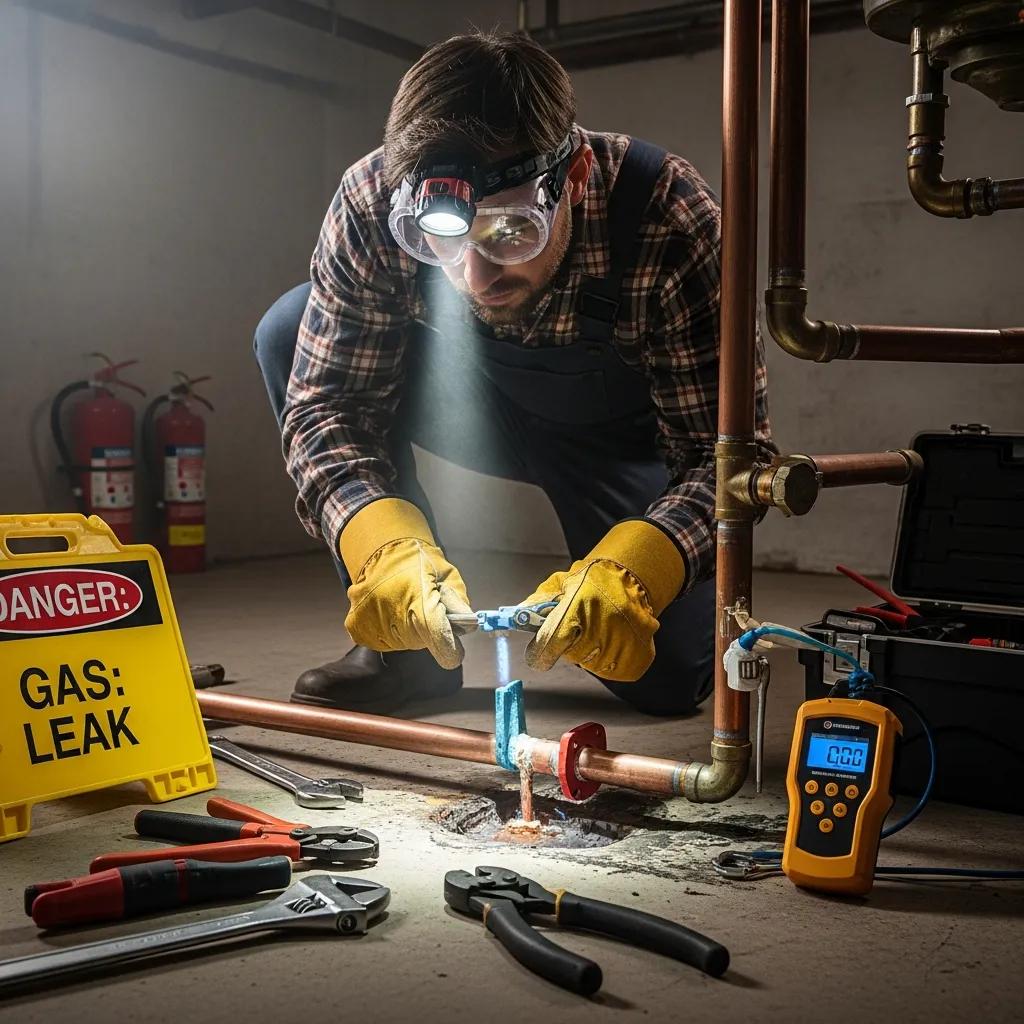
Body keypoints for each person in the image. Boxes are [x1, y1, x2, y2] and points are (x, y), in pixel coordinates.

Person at [254, 31, 771, 717]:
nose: (474, 276)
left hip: (612, 443)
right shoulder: (372, 199)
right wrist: (380, 544)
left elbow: (727, 456)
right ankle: (408, 657)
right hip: (467, 406)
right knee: (290, 329)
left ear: (574, 177)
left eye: (510, 232)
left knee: (662, 673)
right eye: (443, 239)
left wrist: (643, 564)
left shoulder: (668, 216)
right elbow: (329, 410)